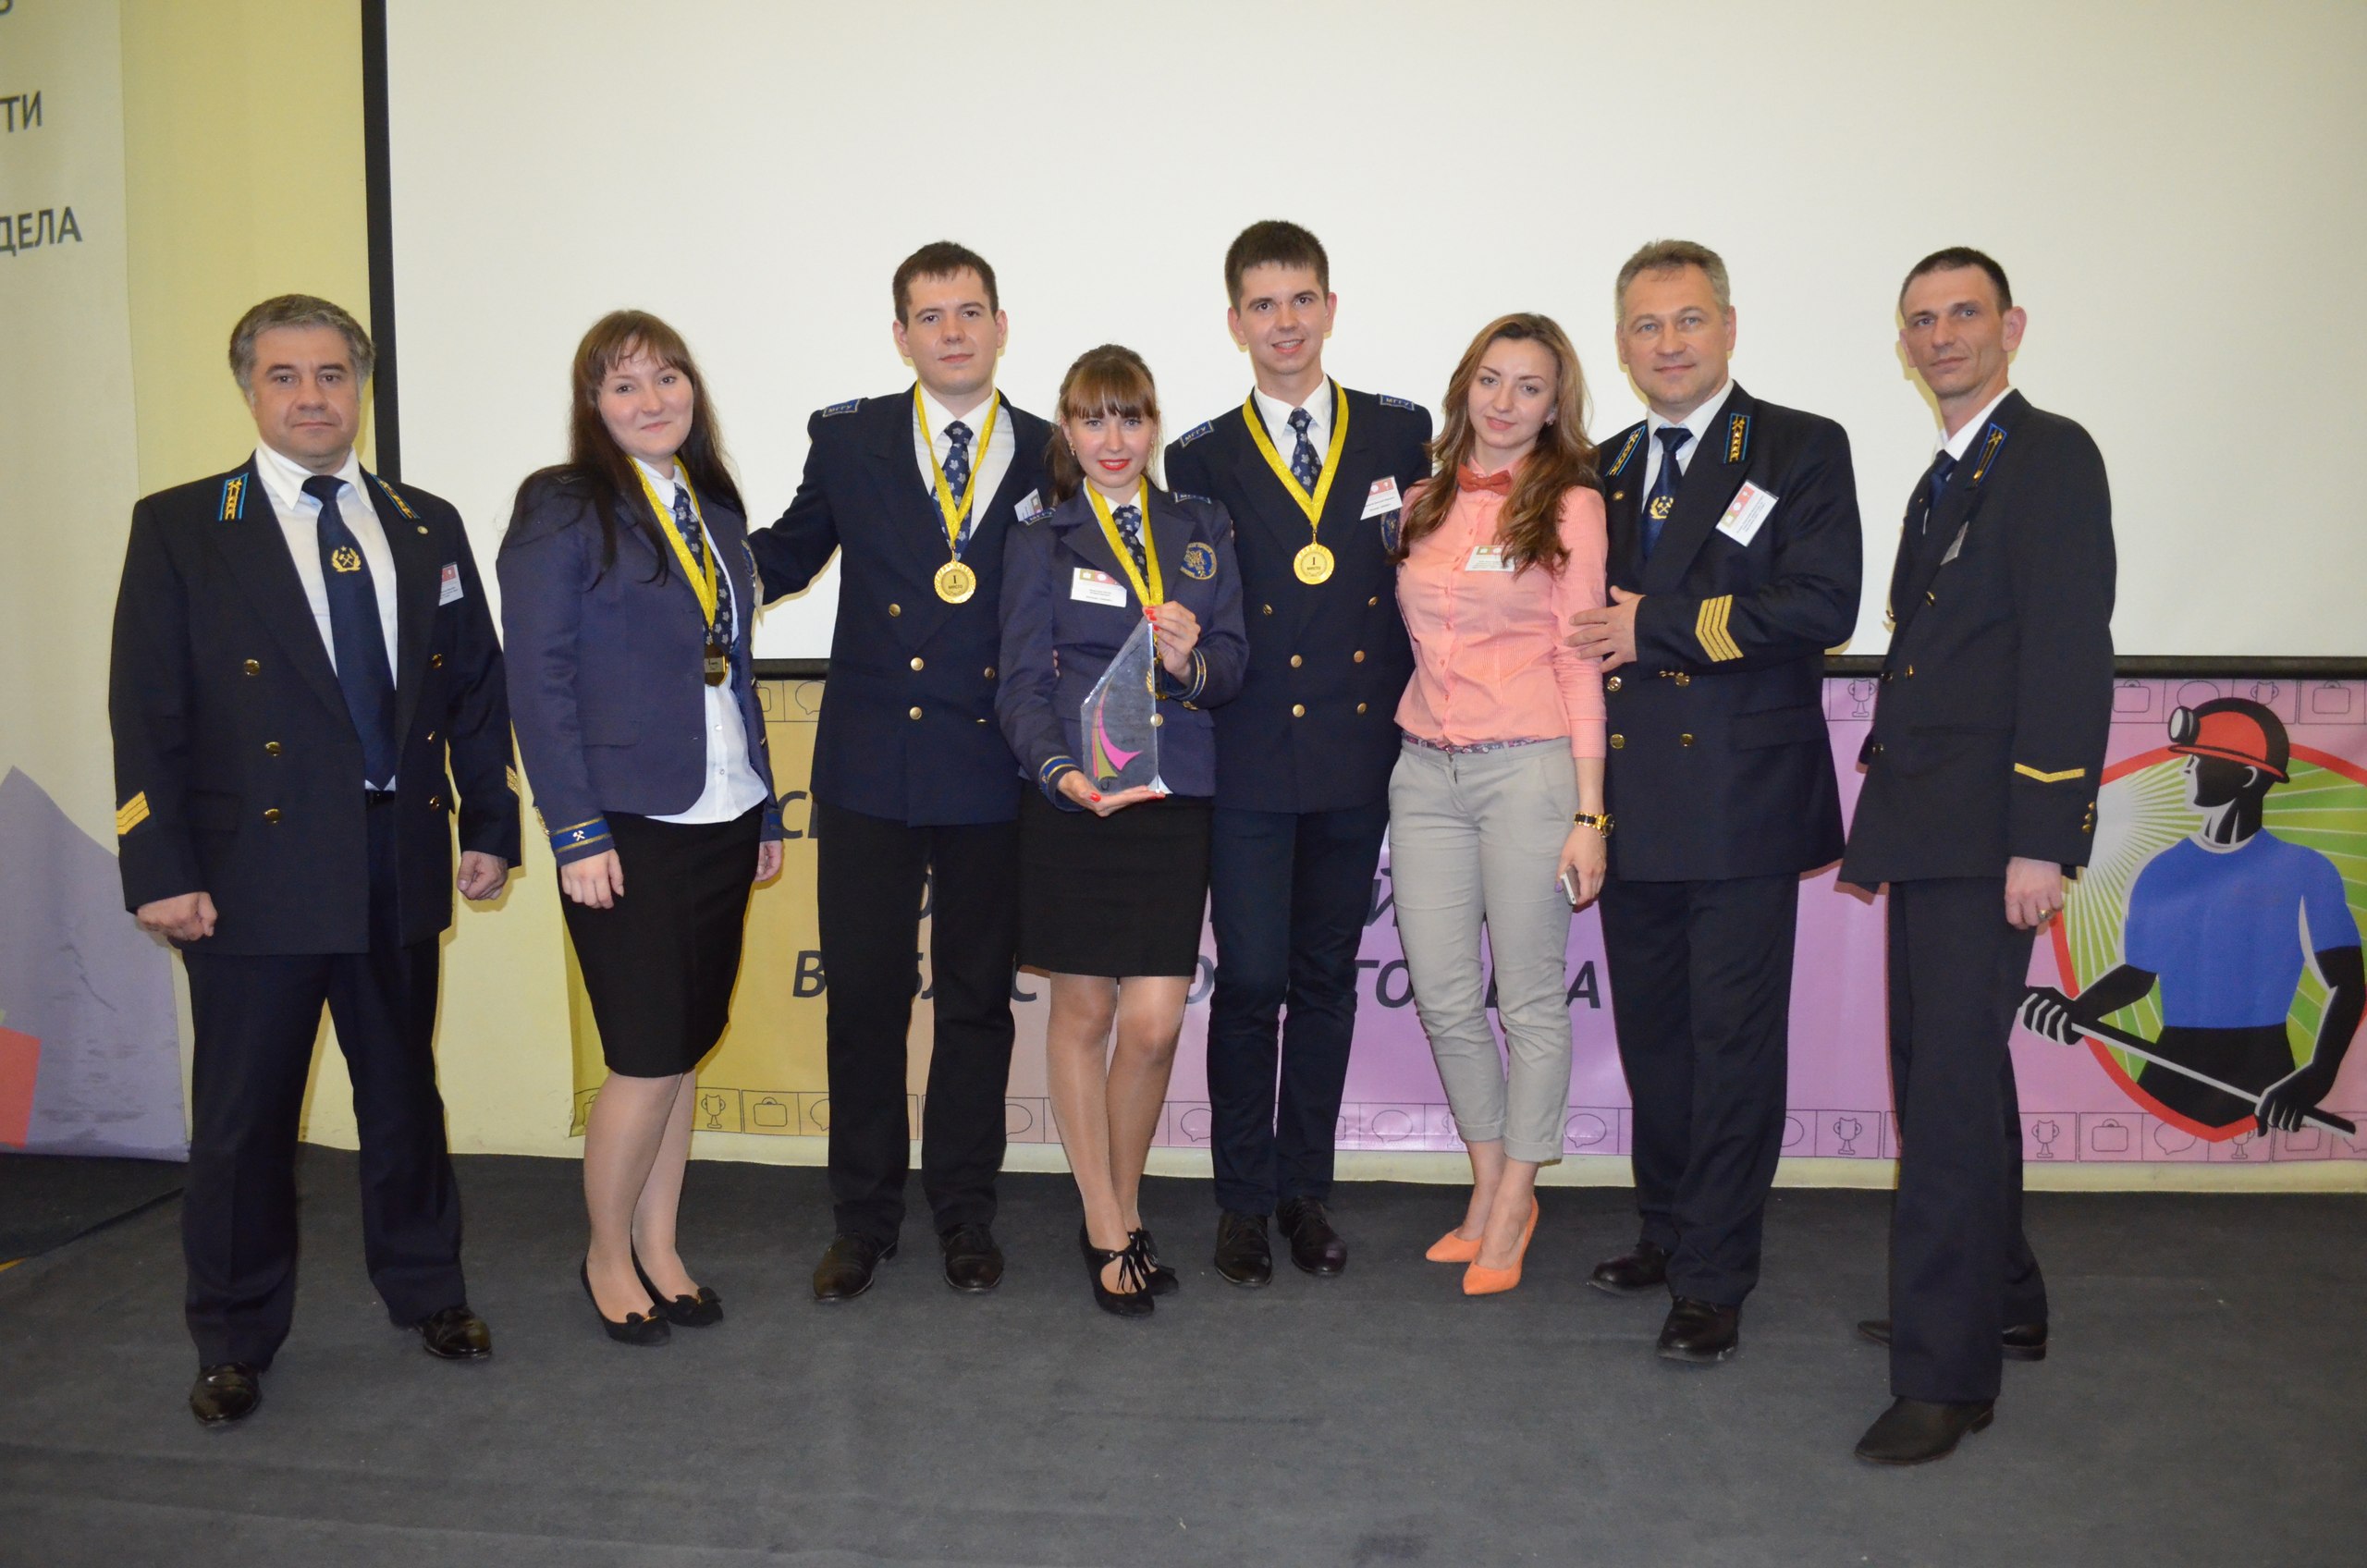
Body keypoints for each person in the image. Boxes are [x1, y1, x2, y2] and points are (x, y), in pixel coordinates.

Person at [108, 294, 519, 1427]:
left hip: (395, 855)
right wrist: (159, 864)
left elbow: (473, 687)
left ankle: (429, 1291)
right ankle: (233, 1337)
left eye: (332, 374)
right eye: (284, 376)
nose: (311, 397)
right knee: (245, 1122)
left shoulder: (425, 522)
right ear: (250, 389)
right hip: (251, 874)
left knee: (403, 1097)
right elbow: (146, 710)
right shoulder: (184, 525)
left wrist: (489, 822)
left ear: (361, 387)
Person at [1839, 248, 2115, 1464]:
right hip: (1933, 826)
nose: (1941, 335)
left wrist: (2043, 839)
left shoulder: (2047, 455)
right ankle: (2002, 1300)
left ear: (2012, 326)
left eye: (1963, 314)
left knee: (1946, 1101)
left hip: (1992, 837)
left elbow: (2068, 650)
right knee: (1953, 1079)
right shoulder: (1948, 474)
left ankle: (1945, 1376)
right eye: (1921, 320)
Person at [1564, 240, 1861, 1364]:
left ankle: (1715, 1275)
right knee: (1656, 1040)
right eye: (1646, 325)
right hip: (1630, 798)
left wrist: (1657, 625)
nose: (1669, 343)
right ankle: (1667, 1228)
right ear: (1621, 343)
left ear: (1728, 328)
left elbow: (1822, 602)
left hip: (1741, 800)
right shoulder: (1599, 466)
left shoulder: (1797, 445)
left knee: (1731, 1048)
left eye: (1688, 320)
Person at [746, 243, 1052, 1302]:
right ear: (900, 335)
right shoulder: (849, 439)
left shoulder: (1054, 451)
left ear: (1001, 326)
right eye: (930, 316)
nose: (952, 332)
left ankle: (965, 1211)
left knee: (975, 1003)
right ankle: (863, 1220)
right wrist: (676, 566)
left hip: (993, 766)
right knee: (865, 1001)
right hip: (871, 764)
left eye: (970, 312)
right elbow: (785, 555)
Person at [498, 311, 785, 1345]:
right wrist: (575, 831)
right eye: (624, 385)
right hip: (625, 821)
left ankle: (660, 1248)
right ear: (594, 406)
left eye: (668, 378)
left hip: (723, 807)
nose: (652, 399)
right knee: (644, 1053)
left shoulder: (713, 506)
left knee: (685, 1047)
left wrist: (762, 801)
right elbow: (538, 678)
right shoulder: (565, 504)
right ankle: (606, 1255)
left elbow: (732, 666)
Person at [1163, 220, 1434, 1286]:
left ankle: (1303, 1192)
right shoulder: (1199, 456)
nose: (1284, 322)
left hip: (1358, 752)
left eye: (1301, 299)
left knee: (1325, 980)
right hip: (1248, 755)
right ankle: (1240, 1201)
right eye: (1262, 305)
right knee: (1250, 982)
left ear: (1330, 307)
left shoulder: (1399, 433)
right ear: (1235, 323)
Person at [997, 345, 1248, 1315]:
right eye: (1093, 418)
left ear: (1152, 426)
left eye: (1130, 417)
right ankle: (1108, 1221)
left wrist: (1190, 662)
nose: (1113, 438)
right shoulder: (1040, 538)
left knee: (1151, 1024)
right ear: (1067, 430)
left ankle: (1123, 1198)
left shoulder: (1200, 528)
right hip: (1076, 799)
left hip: (1174, 798)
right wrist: (1057, 773)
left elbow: (1233, 663)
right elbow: (1021, 685)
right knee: (1085, 1014)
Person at [1388, 313, 1609, 1297]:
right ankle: (1487, 1186)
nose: (1505, 401)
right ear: (1464, 387)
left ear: (1555, 405)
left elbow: (1579, 660)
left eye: (1529, 385)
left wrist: (1590, 814)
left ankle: (1517, 1198)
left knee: (1526, 1000)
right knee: (1443, 995)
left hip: (1530, 772)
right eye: (1490, 379)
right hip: (1422, 774)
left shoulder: (1571, 506)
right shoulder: (1421, 502)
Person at [2020, 699, 2362, 1134]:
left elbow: (2348, 983)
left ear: (2247, 776)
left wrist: (2319, 1074)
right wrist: (2076, 1011)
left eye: (2199, 760)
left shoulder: (2307, 870)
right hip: (2173, 1062)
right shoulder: (2161, 869)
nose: (2186, 769)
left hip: (2266, 1069)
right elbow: (2137, 975)